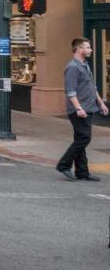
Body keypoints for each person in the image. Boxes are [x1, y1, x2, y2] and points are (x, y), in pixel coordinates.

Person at [56, 37, 108, 182]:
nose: (90, 49)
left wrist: (101, 103)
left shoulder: (84, 65)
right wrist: (78, 108)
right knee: (84, 138)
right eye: (87, 47)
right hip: (79, 109)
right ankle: (64, 164)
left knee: (80, 139)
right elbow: (70, 91)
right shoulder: (72, 67)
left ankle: (82, 172)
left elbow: (92, 86)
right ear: (79, 49)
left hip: (88, 107)